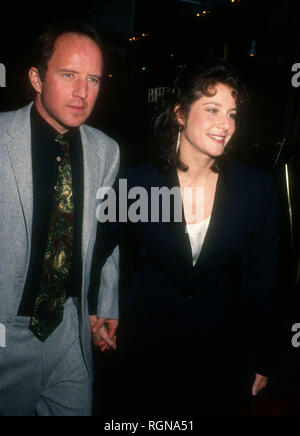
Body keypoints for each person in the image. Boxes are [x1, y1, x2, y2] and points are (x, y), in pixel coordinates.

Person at [90, 62, 280, 416]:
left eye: (232, 114)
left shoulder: (255, 188)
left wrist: (263, 356)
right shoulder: (138, 183)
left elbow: (263, 280)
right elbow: (95, 249)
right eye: (212, 110)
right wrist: (96, 310)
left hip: (221, 357)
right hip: (146, 350)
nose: (226, 124)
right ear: (180, 114)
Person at [0, 21, 120, 416]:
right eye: (69, 75)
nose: (82, 92)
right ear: (36, 77)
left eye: (93, 79)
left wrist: (106, 304)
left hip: (69, 331)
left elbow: (108, 233)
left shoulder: (105, 151)